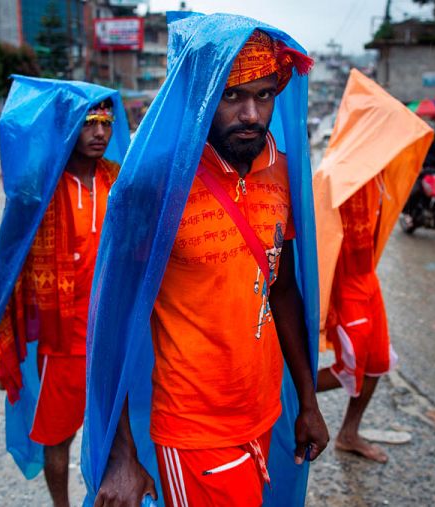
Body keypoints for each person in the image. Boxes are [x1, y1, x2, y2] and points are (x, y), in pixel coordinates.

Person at [81, 14, 327, 507]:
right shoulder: (153, 185)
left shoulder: (279, 172)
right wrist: (120, 455)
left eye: (264, 94)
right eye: (232, 95)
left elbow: (281, 288)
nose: (252, 114)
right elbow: (113, 323)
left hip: (263, 415)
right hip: (194, 430)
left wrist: (307, 401)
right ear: (199, 96)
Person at [0, 77, 129, 507]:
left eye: (106, 123)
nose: (100, 133)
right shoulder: (38, 189)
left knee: (121, 434)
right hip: (62, 339)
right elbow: (9, 267)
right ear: (68, 126)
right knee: (57, 437)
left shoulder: (120, 182)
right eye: (89, 123)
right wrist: (2, 343)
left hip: (112, 336)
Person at [313, 70, 433, 463]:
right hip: (345, 287)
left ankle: (349, 433)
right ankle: (277, 398)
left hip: (369, 284)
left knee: (377, 365)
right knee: (348, 369)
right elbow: (317, 247)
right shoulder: (332, 176)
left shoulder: (380, 171)